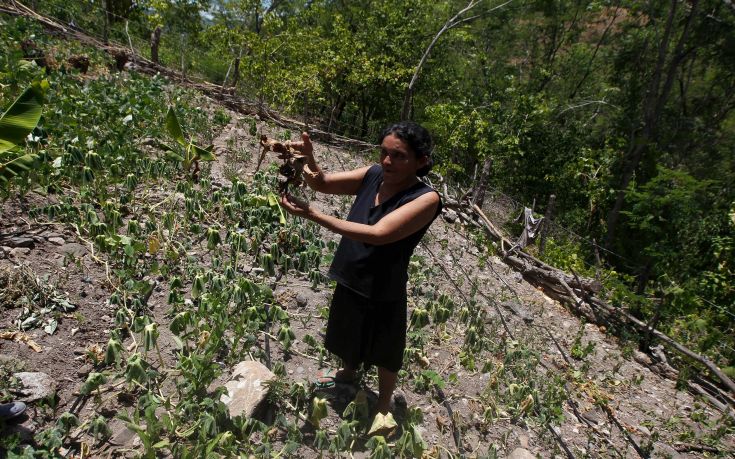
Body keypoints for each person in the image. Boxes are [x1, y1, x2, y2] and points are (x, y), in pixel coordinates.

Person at [279, 121, 442, 415]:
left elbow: (379, 234)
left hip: (384, 281)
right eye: (384, 152)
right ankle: (348, 373)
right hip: (352, 268)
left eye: (400, 156)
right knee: (349, 326)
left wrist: (313, 214)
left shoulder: (426, 199)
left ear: (421, 161)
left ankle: (383, 402)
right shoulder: (373, 175)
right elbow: (323, 183)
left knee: (385, 347)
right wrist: (308, 160)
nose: (387, 161)